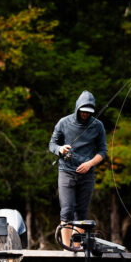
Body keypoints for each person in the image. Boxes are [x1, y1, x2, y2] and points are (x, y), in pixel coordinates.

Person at [49, 90, 107, 247]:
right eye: (83, 111)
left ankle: (77, 248)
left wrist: (89, 164)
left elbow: (103, 151)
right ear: (77, 108)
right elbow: (52, 144)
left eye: (88, 112)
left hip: (87, 175)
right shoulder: (63, 123)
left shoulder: (97, 126)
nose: (85, 115)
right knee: (67, 210)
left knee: (81, 213)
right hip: (66, 172)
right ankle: (67, 249)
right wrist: (60, 149)